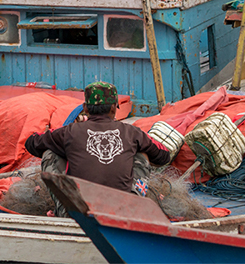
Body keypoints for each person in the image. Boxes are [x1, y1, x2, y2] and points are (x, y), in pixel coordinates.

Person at [24, 81, 170, 216]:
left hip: (78, 216)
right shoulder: (133, 132)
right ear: (114, 107)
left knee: (50, 152)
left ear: (85, 108)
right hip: (124, 214)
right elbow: (163, 155)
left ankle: (62, 208)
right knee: (142, 153)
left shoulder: (69, 132)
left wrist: (69, 148)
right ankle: (136, 203)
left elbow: (32, 142)